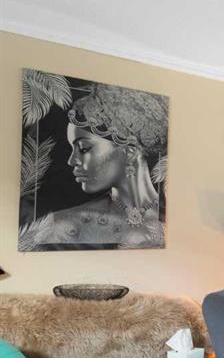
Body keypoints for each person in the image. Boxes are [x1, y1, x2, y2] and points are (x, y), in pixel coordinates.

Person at [23, 82, 168, 248]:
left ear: (129, 153)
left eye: (84, 148)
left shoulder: (175, 212)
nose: (72, 160)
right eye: (72, 149)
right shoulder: (62, 226)